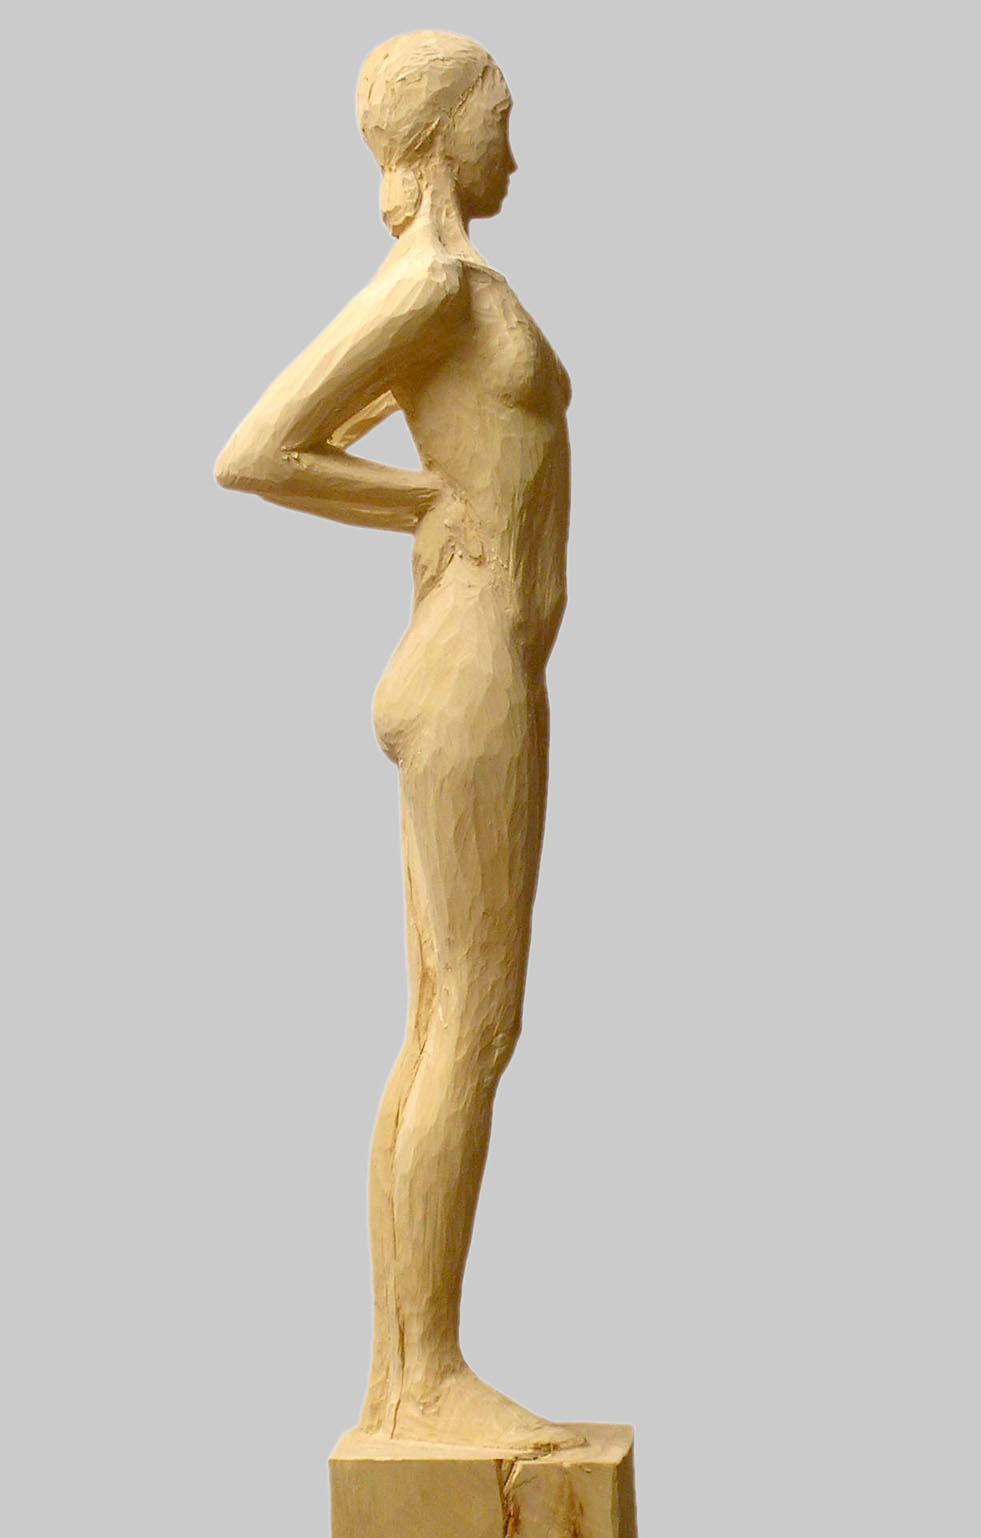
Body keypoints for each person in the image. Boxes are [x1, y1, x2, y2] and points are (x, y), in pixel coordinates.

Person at [215, 31, 575, 1452]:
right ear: (439, 133)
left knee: (440, 1022)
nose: (514, 150)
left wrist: (427, 492)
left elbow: (359, 422)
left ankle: (401, 1377)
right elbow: (260, 450)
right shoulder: (435, 283)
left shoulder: (439, 287)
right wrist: (425, 506)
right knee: (473, 1024)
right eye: (499, 119)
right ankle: (427, 1376)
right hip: (471, 666)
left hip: (465, 662)